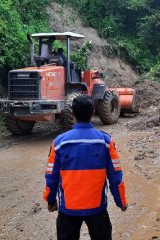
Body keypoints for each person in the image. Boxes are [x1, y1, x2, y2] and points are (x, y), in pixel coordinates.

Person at [43, 95, 128, 240]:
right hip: (97, 209)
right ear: (93, 112)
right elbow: (115, 176)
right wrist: (121, 202)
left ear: (73, 114)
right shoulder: (105, 141)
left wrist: (50, 200)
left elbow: (51, 176)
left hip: (68, 210)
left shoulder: (59, 143)